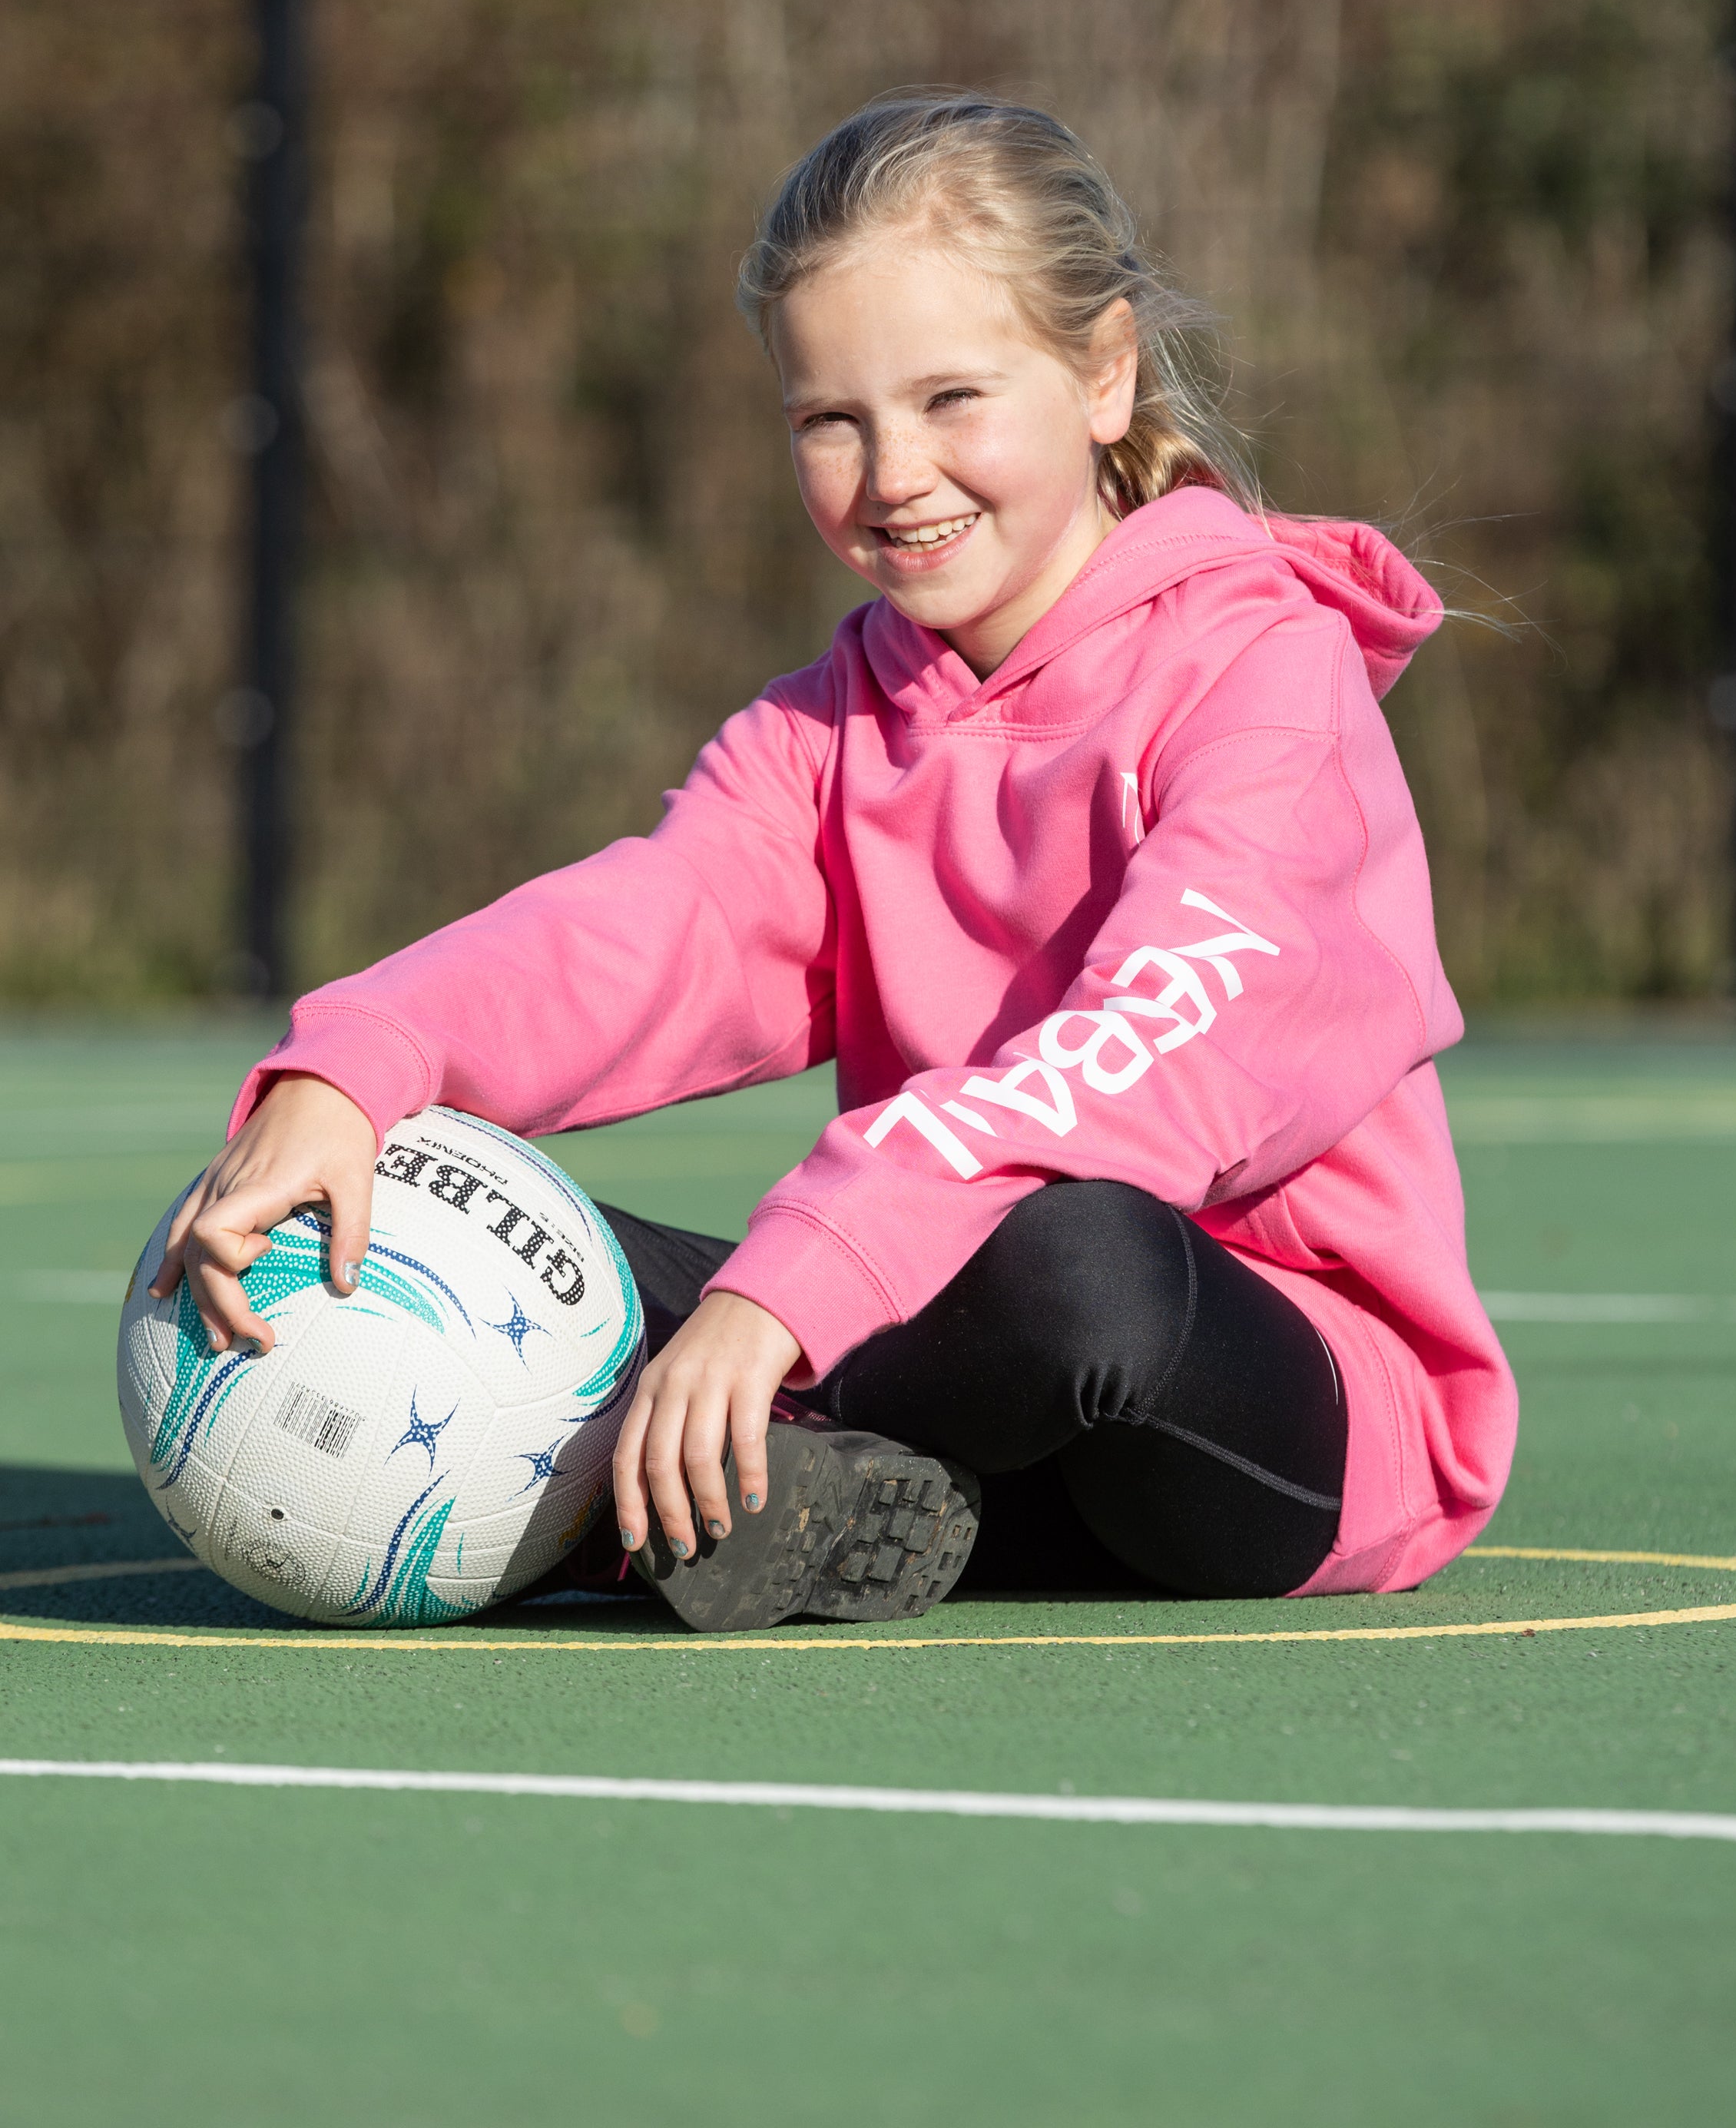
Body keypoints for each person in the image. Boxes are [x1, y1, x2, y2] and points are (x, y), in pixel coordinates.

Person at [154, 92, 1517, 1632]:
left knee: (1084, 1263)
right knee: (422, 1207)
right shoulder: (837, 723)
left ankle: (710, 1473)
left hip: (1252, 1398)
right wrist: (359, 1066)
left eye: (953, 398)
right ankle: (820, 1495)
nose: (895, 472)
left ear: (1103, 373)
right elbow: (646, 931)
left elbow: (1142, 1064)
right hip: (935, 1343)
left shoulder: (1268, 678)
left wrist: (784, 1291)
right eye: (831, 420)